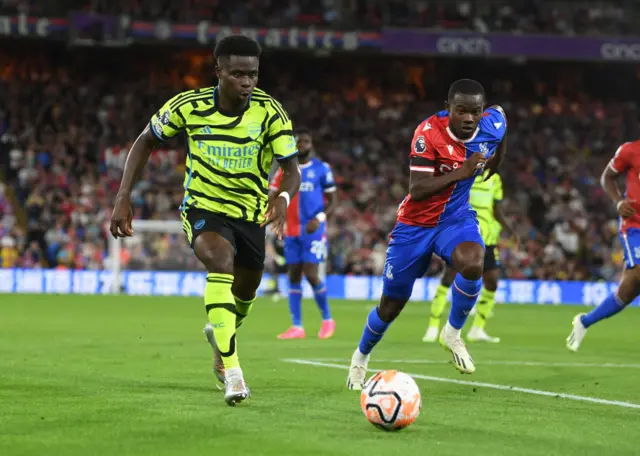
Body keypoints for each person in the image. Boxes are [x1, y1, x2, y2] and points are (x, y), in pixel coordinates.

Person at [109, 35, 301, 406]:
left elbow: (291, 169)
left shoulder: (270, 112)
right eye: (237, 74)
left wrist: (282, 196)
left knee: (246, 289)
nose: (246, 82)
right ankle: (233, 372)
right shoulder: (189, 106)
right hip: (203, 209)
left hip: (249, 214)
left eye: (253, 75)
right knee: (219, 261)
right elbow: (145, 141)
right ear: (218, 72)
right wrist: (122, 197)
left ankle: (221, 336)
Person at [346, 79, 508, 389]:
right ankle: (360, 357)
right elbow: (416, 190)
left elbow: (502, 126)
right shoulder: (428, 134)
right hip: (415, 225)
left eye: (475, 111)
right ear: (449, 109)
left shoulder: (493, 123)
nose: (469, 118)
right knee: (391, 306)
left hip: (454, 219)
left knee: (474, 262)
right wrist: (463, 171)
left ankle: (452, 333)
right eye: (461, 111)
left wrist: (496, 161)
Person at [423, 169, 518, 343]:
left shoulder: (495, 179)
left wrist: (510, 230)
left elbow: (496, 210)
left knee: (492, 281)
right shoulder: (466, 174)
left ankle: (477, 329)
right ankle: (433, 325)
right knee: (448, 277)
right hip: (465, 234)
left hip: (487, 237)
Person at [566, 140, 640, 351]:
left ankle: (585, 322)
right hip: (634, 225)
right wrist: (618, 202)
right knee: (639, 272)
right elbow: (607, 177)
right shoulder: (630, 150)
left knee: (627, 293)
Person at [269, 128, 338, 340]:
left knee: (311, 274)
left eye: (306, 141)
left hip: (313, 230)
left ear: (311, 144)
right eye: (298, 142)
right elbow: (272, 194)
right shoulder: (284, 171)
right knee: (294, 276)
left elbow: (333, 201)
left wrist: (320, 218)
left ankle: (327, 319)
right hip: (290, 231)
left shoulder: (321, 169)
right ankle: (297, 326)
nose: (302, 145)